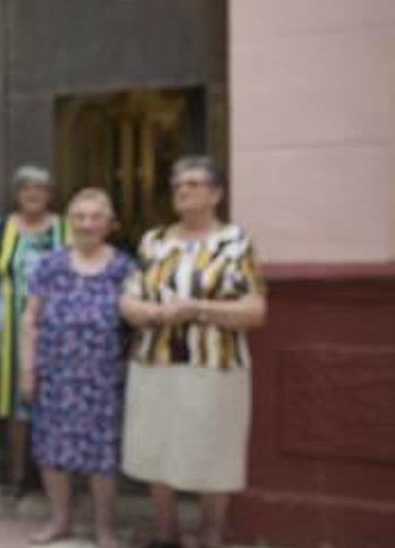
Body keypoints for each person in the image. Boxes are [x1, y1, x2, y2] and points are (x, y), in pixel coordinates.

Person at [119, 156, 268, 548]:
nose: (182, 191)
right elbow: (129, 301)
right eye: (177, 185)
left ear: (216, 193)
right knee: (158, 448)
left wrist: (198, 310)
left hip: (214, 366)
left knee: (212, 450)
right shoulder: (154, 242)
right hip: (155, 362)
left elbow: (255, 310)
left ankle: (210, 532)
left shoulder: (235, 244)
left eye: (193, 184)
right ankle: (165, 533)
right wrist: (151, 312)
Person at [21, 188, 134, 548]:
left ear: (109, 223)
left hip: (103, 377)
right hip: (55, 374)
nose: (87, 224)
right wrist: (27, 370)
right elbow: (30, 320)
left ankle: (104, 528)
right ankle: (59, 521)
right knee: (52, 451)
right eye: (80, 217)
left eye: (95, 216)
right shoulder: (50, 264)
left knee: (103, 456)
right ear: (69, 222)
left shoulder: (123, 266)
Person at [0, 164, 68, 507]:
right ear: (17, 194)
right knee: (16, 404)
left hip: (57, 327)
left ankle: (55, 477)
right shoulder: (1, 228)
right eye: (26, 189)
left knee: (56, 400)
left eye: (40, 189)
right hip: (11, 327)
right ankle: (17, 475)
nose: (33, 195)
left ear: (49, 194)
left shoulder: (66, 227)